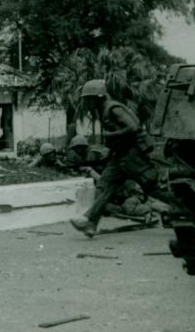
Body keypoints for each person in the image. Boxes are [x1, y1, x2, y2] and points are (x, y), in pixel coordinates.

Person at [70, 79, 174, 238]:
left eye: (88, 98)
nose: (86, 102)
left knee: (153, 189)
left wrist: (110, 136)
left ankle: (191, 209)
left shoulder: (112, 108)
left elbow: (133, 127)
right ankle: (90, 222)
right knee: (104, 185)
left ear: (98, 97)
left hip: (134, 156)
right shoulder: (103, 109)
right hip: (120, 157)